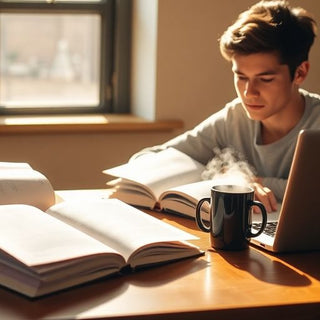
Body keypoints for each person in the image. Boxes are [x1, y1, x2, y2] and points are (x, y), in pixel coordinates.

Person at [131, 0, 319, 213]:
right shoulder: (234, 118)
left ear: (300, 73)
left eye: (265, 79)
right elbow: (145, 160)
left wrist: (253, 182)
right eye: (240, 77)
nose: (249, 92)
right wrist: (228, 177)